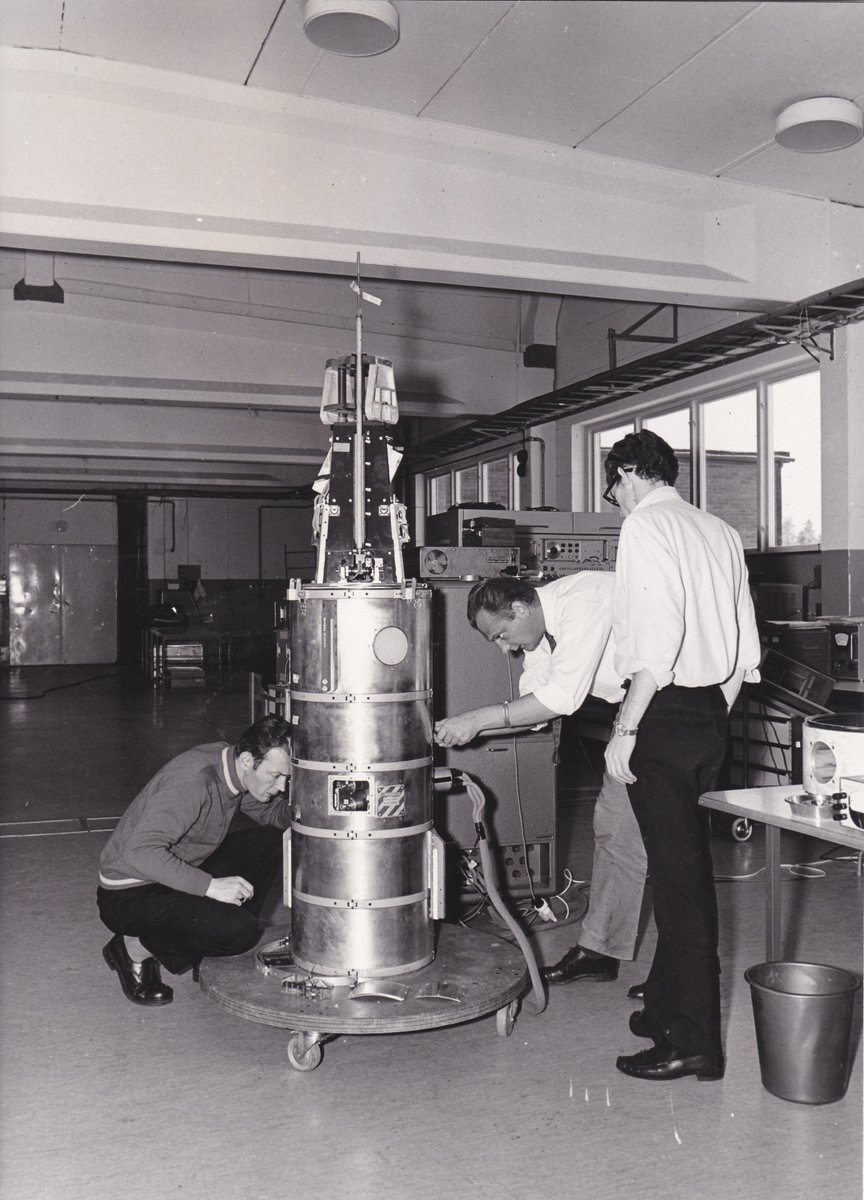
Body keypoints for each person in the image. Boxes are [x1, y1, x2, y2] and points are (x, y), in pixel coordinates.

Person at [602, 429, 760, 1082]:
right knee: (680, 865)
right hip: (707, 716)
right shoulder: (718, 530)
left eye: (613, 484)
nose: (613, 498)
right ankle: (666, 1006)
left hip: (660, 717)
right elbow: (745, 651)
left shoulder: (645, 526)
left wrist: (629, 728)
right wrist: (705, 721)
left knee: (680, 882)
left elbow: (657, 641)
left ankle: (694, 1042)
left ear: (631, 473)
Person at [434, 573, 647, 986]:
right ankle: (600, 952)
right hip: (635, 710)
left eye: (502, 634)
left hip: (669, 703)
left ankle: (671, 971)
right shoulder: (541, 633)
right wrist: (457, 727)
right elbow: (536, 701)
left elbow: (562, 698)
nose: (504, 647)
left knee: (648, 838)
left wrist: (476, 720)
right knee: (616, 828)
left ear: (519, 609)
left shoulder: (582, 601)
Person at [98, 714, 292, 1007]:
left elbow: (270, 814)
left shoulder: (234, 765)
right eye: (275, 776)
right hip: (129, 892)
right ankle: (131, 949)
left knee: (266, 843)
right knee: (239, 931)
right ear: (248, 762)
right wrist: (210, 886)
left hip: (173, 871)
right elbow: (140, 852)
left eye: (286, 778)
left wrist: (309, 803)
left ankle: (210, 946)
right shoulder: (194, 782)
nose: (280, 787)